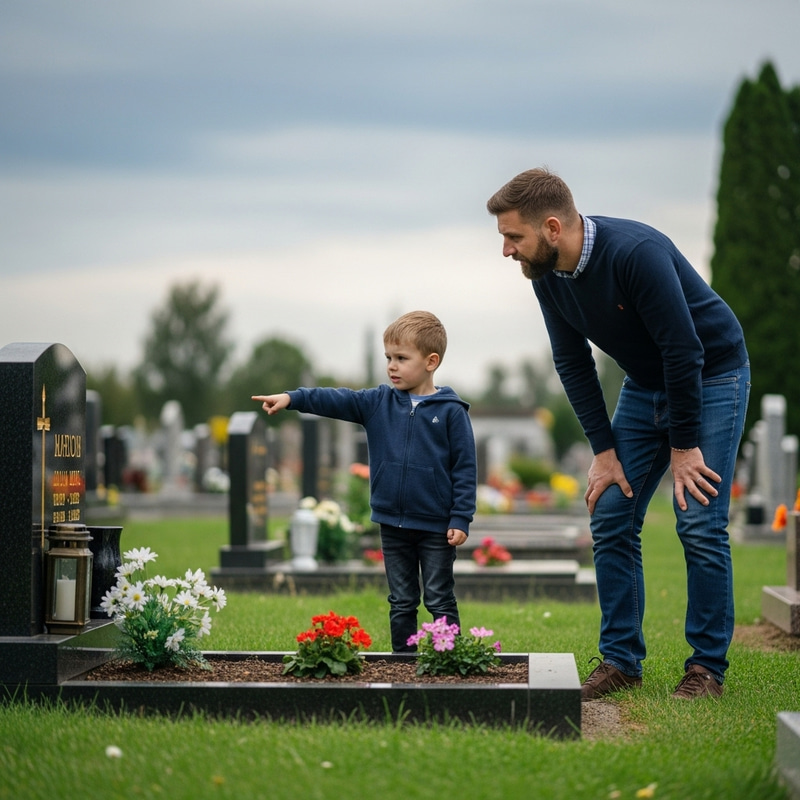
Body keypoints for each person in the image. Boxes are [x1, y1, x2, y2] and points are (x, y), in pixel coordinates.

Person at [487, 168, 750, 700]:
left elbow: (685, 350)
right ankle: (622, 661)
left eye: (514, 237)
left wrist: (683, 447)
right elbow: (572, 362)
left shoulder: (636, 253)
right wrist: (604, 452)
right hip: (646, 382)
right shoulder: (547, 276)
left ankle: (705, 669)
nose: (508, 251)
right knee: (609, 512)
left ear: (553, 227)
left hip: (712, 375)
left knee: (698, 520)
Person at [252, 310, 477, 653]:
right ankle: (403, 663)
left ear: (431, 361)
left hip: (435, 526)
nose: (392, 366)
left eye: (402, 358)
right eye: (389, 357)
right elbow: (336, 398)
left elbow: (465, 468)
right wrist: (293, 398)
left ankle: (450, 661)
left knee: (438, 598)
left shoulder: (451, 411)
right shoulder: (377, 403)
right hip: (392, 523)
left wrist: (461, 518)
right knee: (401, 600)